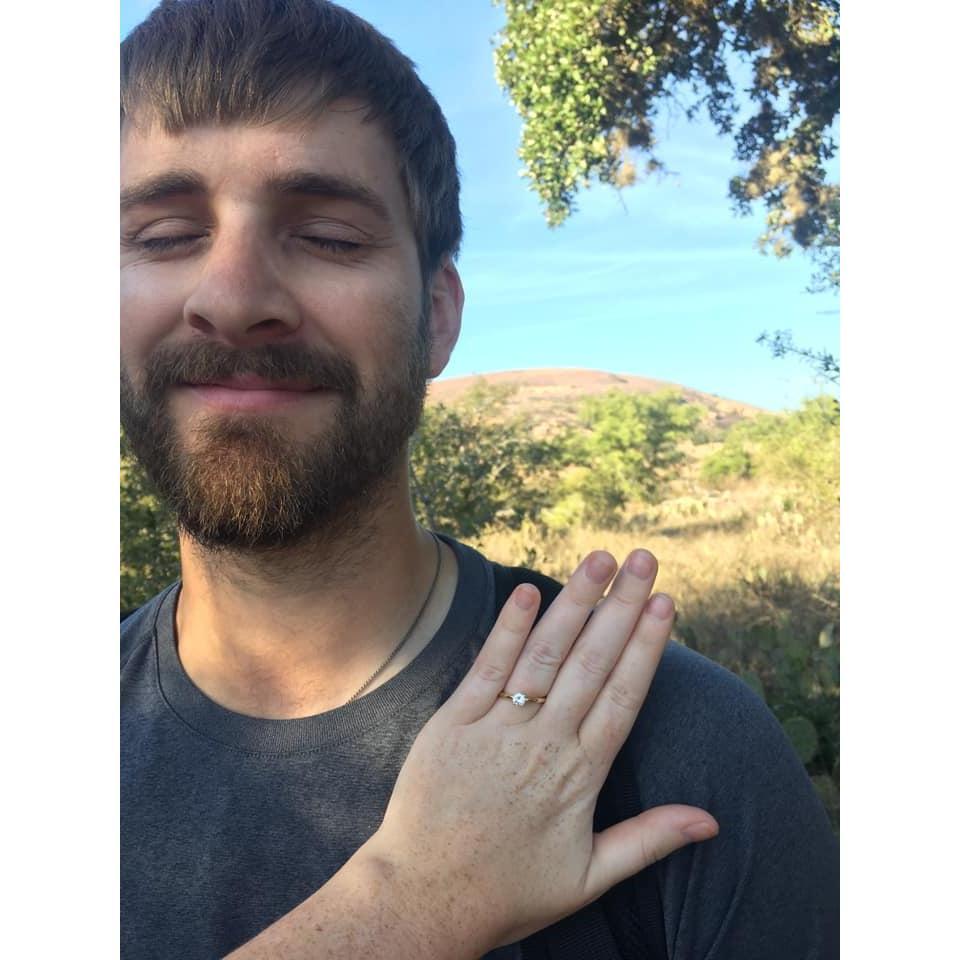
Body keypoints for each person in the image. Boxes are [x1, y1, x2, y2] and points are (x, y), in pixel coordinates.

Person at [120, 1, 840, 958]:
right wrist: (408, 908)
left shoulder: (677, 749)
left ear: (439, 316)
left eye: (331, 236)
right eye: (165, 235)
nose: (233, 297)